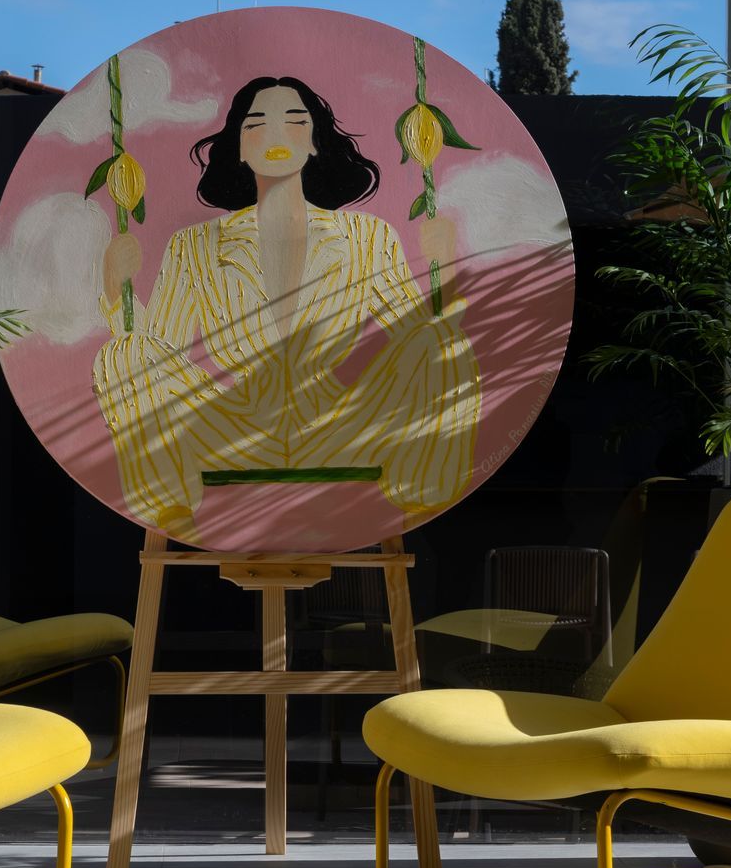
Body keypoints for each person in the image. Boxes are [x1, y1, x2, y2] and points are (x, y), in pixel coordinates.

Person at [94, 74, 480, 541]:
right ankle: (176, 518)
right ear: (237, 146)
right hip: (234, 427)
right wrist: (116, 288)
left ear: (315, 142)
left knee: (443, 343)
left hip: (340, 425)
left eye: (295, 121)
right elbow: (159, 347)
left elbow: (416, 335)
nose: (276, 135)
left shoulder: (368, 237)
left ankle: (422, 501)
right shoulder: (193, 245)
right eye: (256, 124)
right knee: (123, 355)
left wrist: (447, 264)